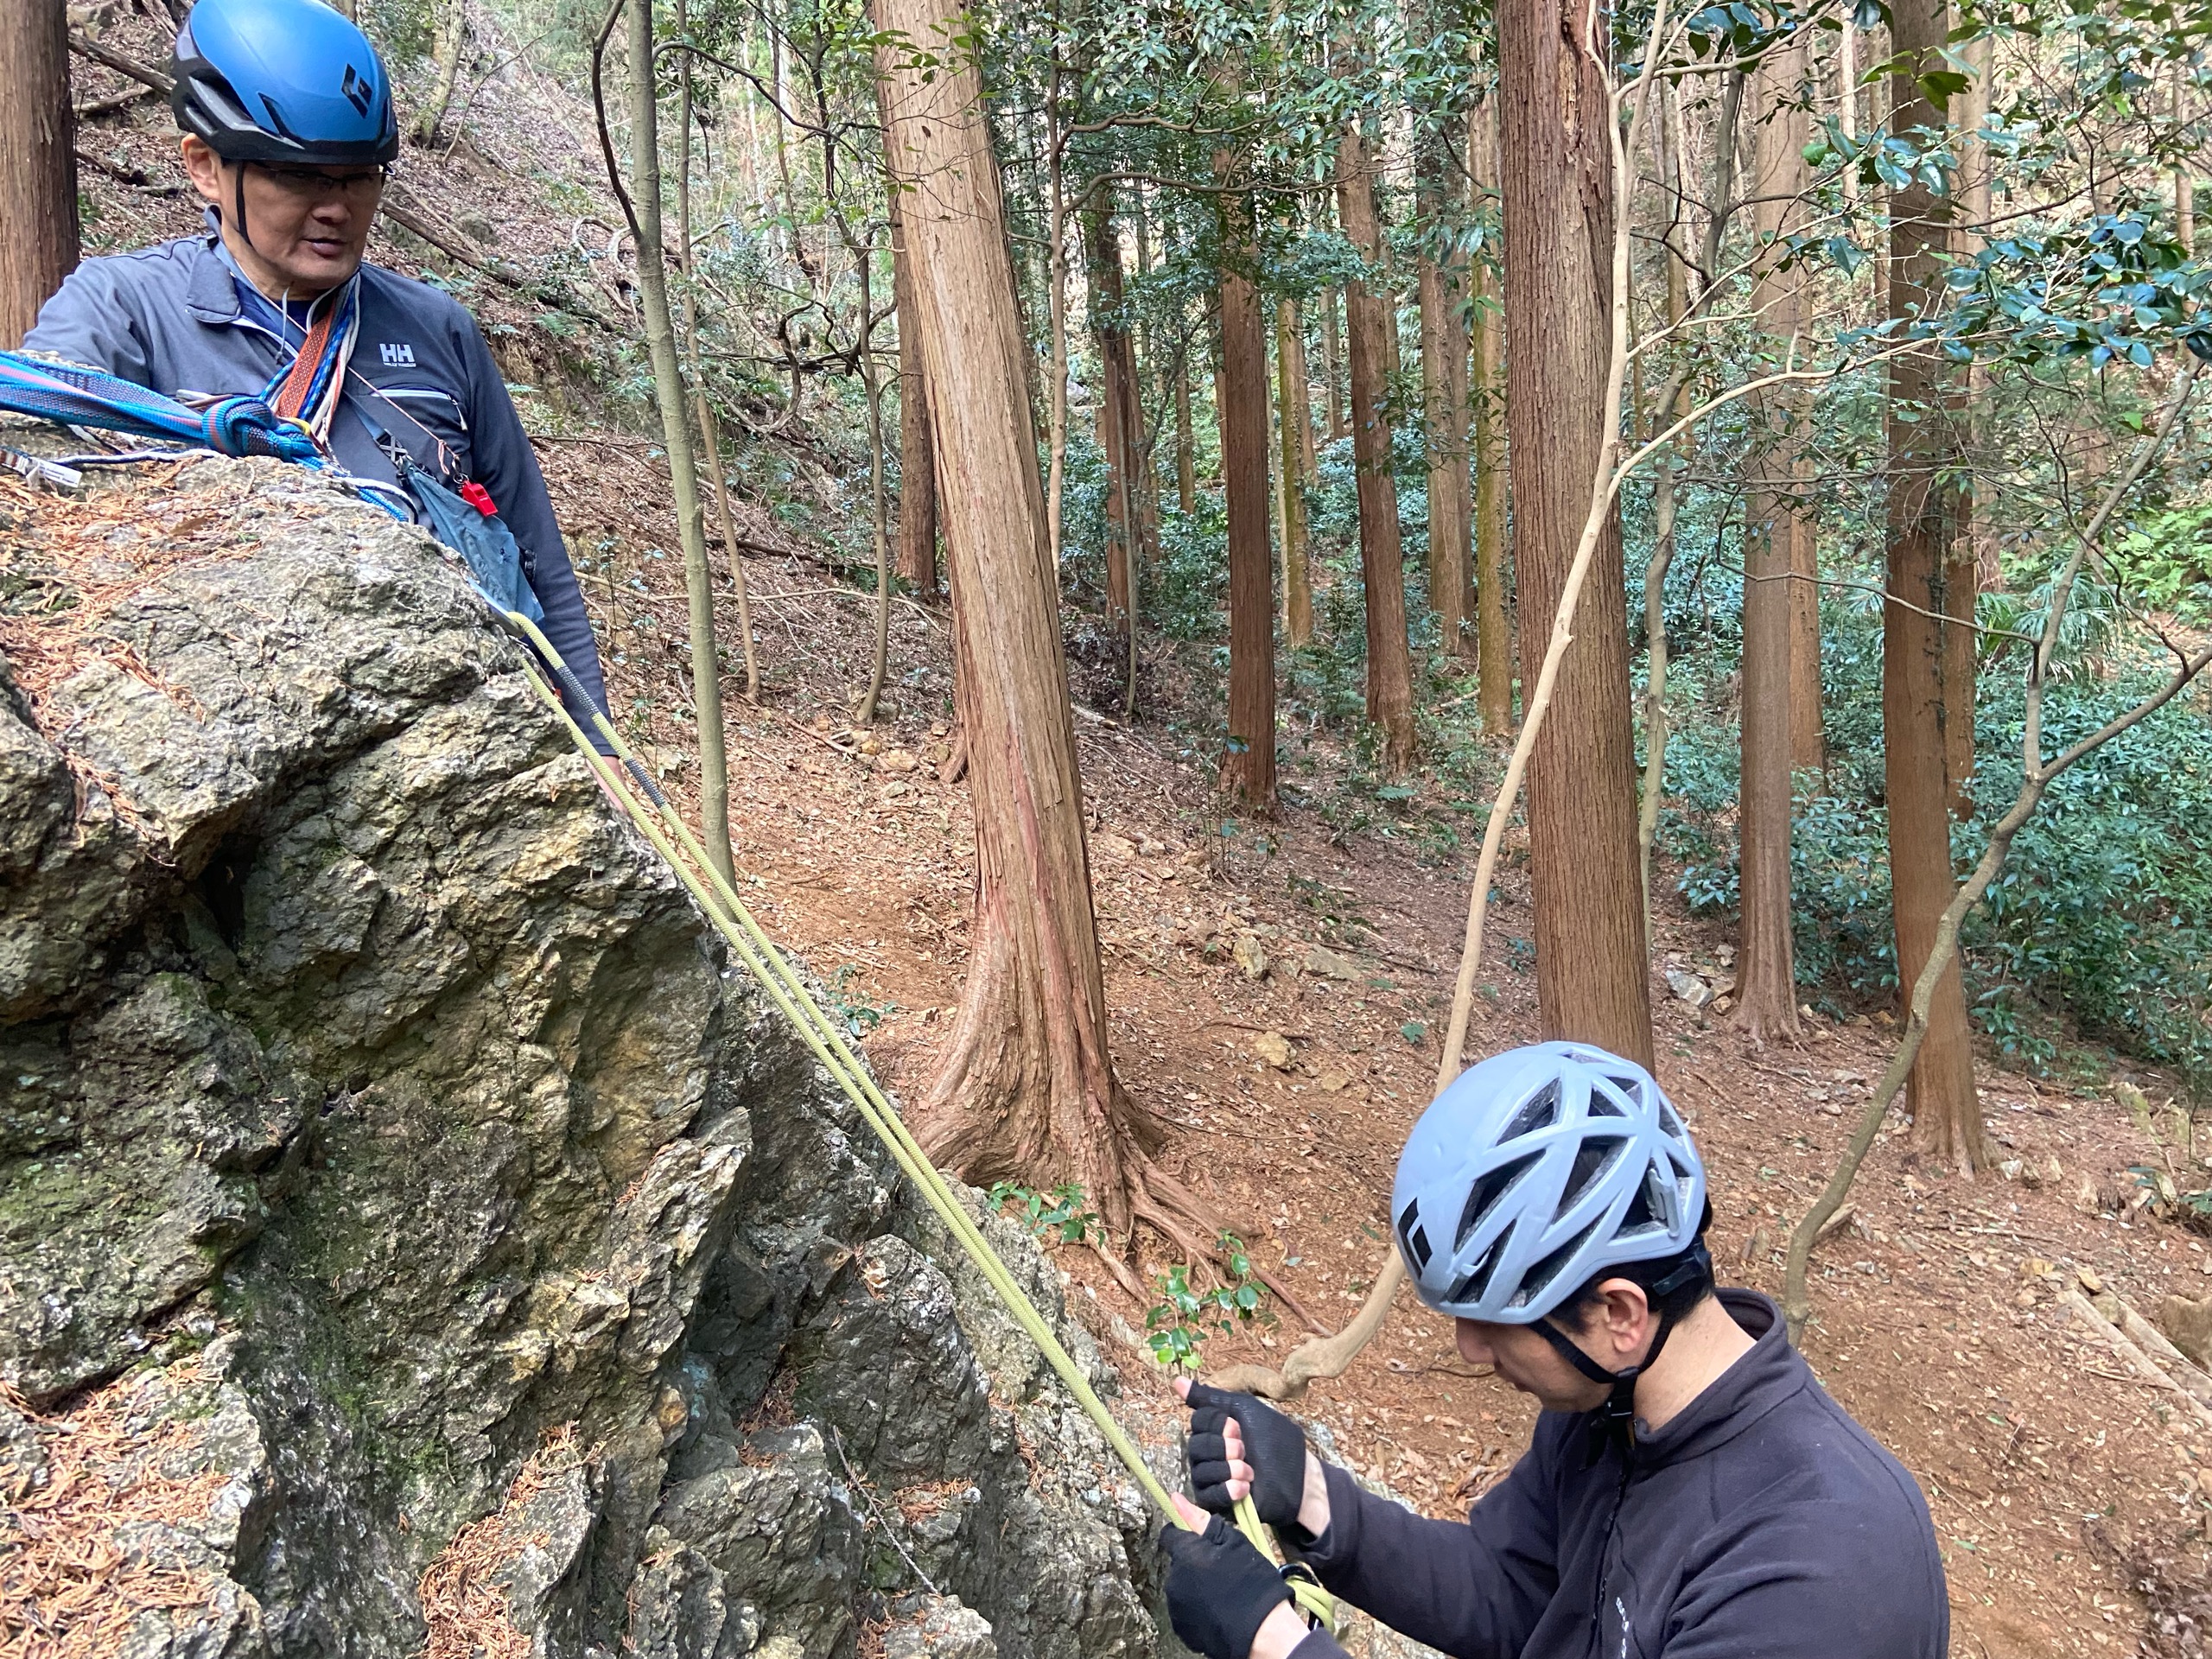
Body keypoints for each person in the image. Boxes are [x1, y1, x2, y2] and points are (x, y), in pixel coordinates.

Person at [1159, 1040, 1948, 1659]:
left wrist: (1277, 1645)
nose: (1469, 1351)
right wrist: (1317, 1500)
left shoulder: (1818, 1567)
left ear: (1619, 1312)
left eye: (1497, 1319)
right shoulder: (1612, 1408)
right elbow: (1522, 1599)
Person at [22, 0, 607, 730]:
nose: (336, 207)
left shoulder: (436, 329)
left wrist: (596, 739)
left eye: (359, 177)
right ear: (205, 167)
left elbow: (537, 554)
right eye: (298, 175)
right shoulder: (123, 310)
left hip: (471, 745)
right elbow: (33, 467)